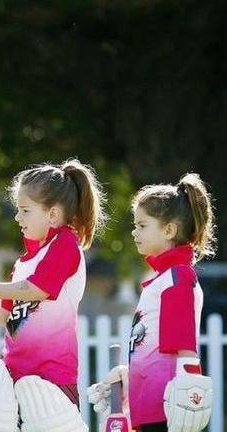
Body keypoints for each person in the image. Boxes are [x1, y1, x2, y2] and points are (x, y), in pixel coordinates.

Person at [0, 159, 107, 432]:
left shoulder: (65, 245)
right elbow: (10, 318)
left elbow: (39, 289)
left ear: (52, 215)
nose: (17, 218)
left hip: (52, 377)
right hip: (15, 374)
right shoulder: (24, 262)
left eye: (25, 210)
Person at [88, 173, 215, 432]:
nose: (135, 232)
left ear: (169, 230)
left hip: (165, 408)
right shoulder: (161, 279)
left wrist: (190, 388)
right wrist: (127, 377)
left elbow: (183, 346)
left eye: (143, 226)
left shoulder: (176, 278)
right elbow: (154, 349)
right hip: (148, 406)